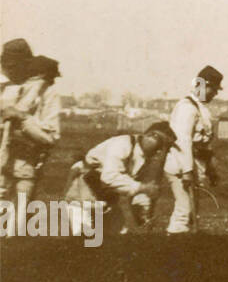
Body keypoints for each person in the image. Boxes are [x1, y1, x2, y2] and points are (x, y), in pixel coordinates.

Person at [65, 121, 176, 232]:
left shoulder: (145, 157)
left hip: (107, 200)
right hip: (83, 194)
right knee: (83, 240)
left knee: (121, 238)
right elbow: (109, 177)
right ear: (151, 136)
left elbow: (139, 190)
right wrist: (143, 188)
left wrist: (144, 216)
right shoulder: (123, 144)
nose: (161, 151)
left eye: (167, 148)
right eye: (161, 144)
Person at [0, 52, 61, 214]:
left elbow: (49, 138)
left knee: (16, 216)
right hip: (10, 163)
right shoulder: (10, 90)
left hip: (24, 164)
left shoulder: (45, 94)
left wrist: (21, 118)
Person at [166, 64, 222, 234]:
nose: (215, 93)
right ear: (204, 85)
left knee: (191, 210)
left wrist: (210, 170)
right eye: (214, 88)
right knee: (185, 211)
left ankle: (182, 246)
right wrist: (187, 170)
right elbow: (183, 141)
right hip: (180, 165)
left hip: (194, 164)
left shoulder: (201, 109)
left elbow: (204, 144)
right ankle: (173, 245)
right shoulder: (187, 108)